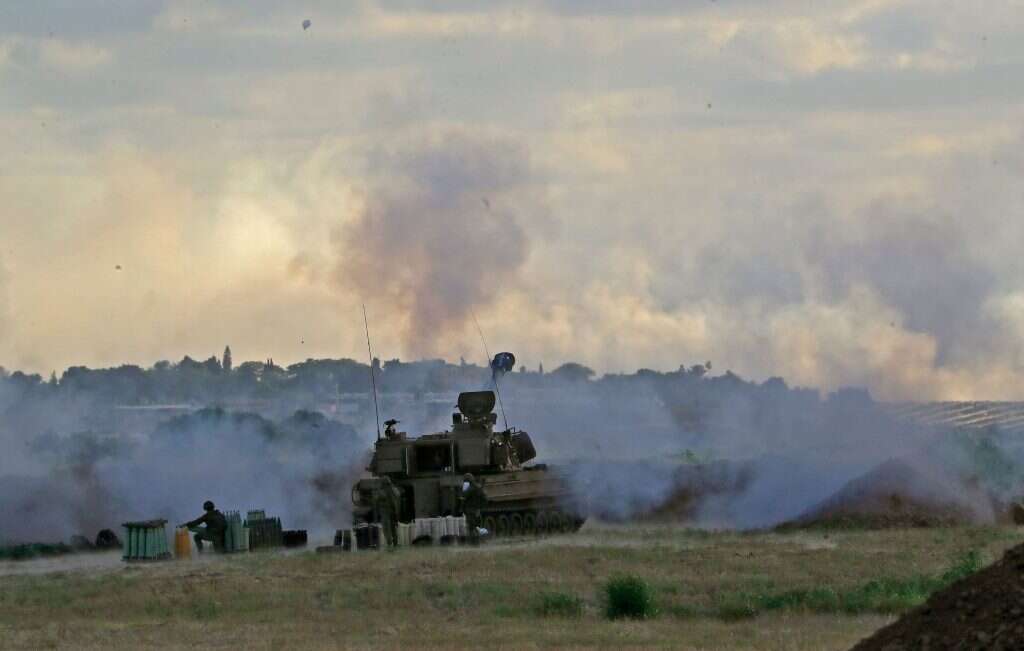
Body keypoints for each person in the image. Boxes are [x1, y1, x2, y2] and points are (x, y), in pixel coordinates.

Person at [373, 477, 400, 548]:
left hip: (385, 511)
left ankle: (389, 543)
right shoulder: (394, 489)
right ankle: (395, 543)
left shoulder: (382, 491)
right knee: (393, 528)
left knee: (386, 528)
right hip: (393, 511)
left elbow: (376, 499)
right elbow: (398, 495)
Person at [460, 473, 486, 543]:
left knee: (471, 528)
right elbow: (484, 498)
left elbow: (463, 499)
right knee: (477, 527)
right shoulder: (478, 487)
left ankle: (474, 543)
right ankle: (479, 541)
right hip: (477, 511)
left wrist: (462, 510)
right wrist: (480, 508)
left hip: (470, 511)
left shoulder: (469, 489)